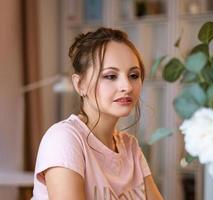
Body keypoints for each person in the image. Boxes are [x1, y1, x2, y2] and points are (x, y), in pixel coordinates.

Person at [32, 27, 164, 200]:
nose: (127, 86)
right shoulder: (64, 139)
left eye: (133, 75)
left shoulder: (130, 146)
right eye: (110, 76)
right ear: (80, 85)